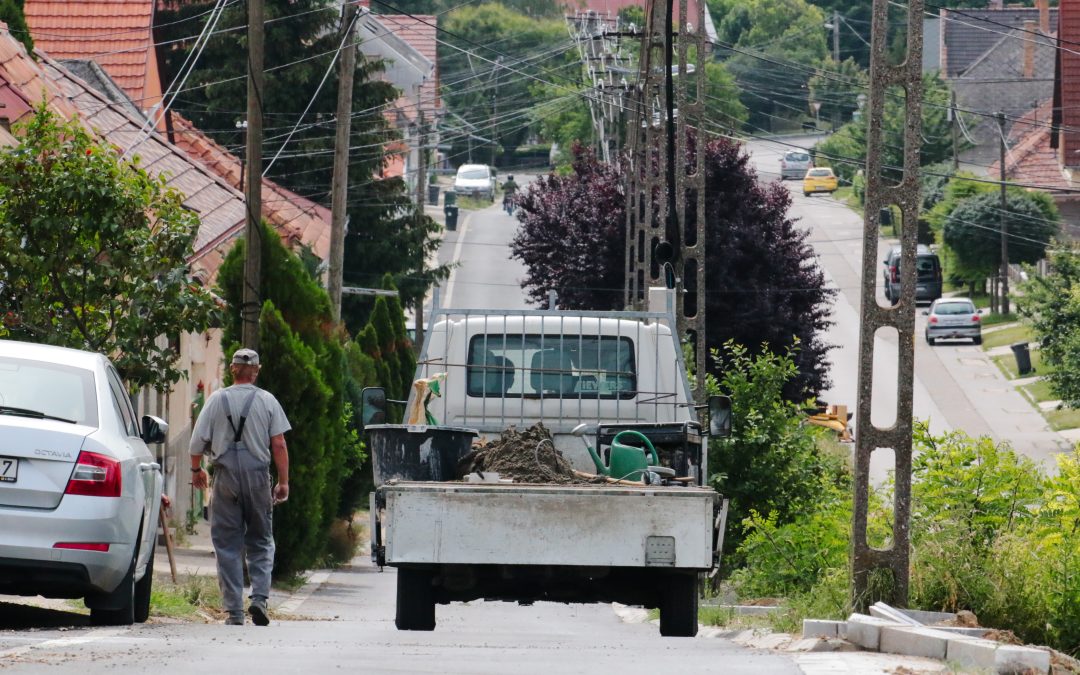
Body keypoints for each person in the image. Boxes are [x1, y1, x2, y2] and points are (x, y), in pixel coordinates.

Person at [189, 348, 291, 626]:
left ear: (232, 370)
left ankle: (234, 611)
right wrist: (283, 482)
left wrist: (196, 470)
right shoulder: (268, 401)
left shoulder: (215, 400)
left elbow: (197, 442)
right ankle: (259, 598)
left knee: (227, 543)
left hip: (225, 477)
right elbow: (279, 444)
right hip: (258, 476)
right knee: (260, 539)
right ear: (257, 371)